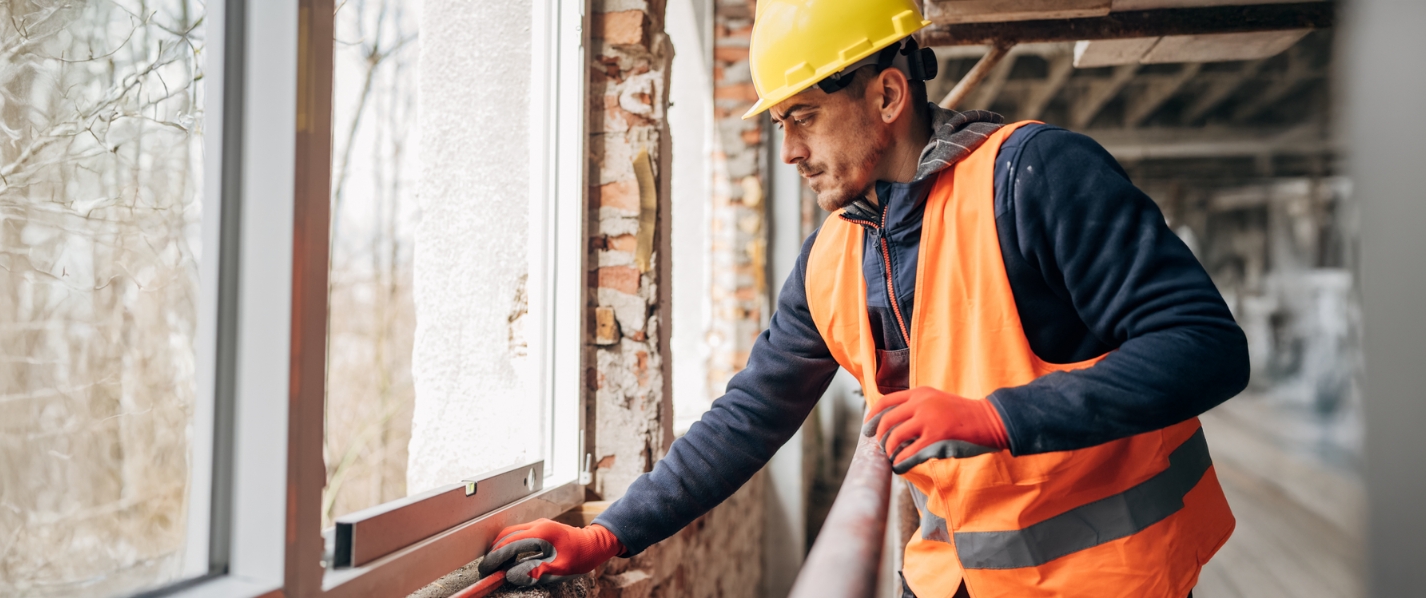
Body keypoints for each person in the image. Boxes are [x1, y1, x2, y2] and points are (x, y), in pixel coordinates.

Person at [478, 1, 1246, 595]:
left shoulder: (1034, 178)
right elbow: (751, 415)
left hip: (1108, 581)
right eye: (781, 124)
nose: (790, 152)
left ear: (886, 94)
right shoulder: (832, 257)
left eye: (804, 117)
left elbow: (1206, 347)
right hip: (954, 583)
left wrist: (995, 417)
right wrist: (611, 534)